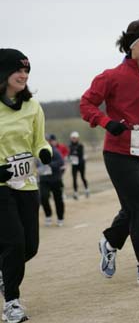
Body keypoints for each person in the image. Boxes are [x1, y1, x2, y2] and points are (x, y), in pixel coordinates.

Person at [80, 19, 139, 286]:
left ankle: (110, 241)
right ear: (132, 45)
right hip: (119, 152)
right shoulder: (111, 76)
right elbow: (87, 104)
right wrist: (105, 122)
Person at [0, 49, 52, 322]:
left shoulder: (32, 106)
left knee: (29, 246)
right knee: (14, 242)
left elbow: (39, 142)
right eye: (17, 70)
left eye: (26, 71)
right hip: (0, 185)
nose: (23, 75)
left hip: (27, 184)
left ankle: (3, 273)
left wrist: (45, 152)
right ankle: (12, 303)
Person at [38, 135, 65, 227]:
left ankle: (60, 218)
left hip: (55, 179)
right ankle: (48, 216)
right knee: (43, 198)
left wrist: (49, 164)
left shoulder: (54, 151)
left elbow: (61, 162)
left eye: (48, 140)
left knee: (58, 199)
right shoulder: (38, 151)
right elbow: (36, 163)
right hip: (44, 179)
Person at [69, 132, 90, 199]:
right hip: (74, 164)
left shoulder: (80, 145)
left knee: (82, 177)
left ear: (78, 138)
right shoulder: (70, 146)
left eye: (75, 138)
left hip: (81, 164)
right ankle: (75, 192)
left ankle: (86, 190)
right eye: (72, 138)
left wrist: (73, 154)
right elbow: (69, 154)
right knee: (74, 178)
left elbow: (80, 154)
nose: (73, 139)